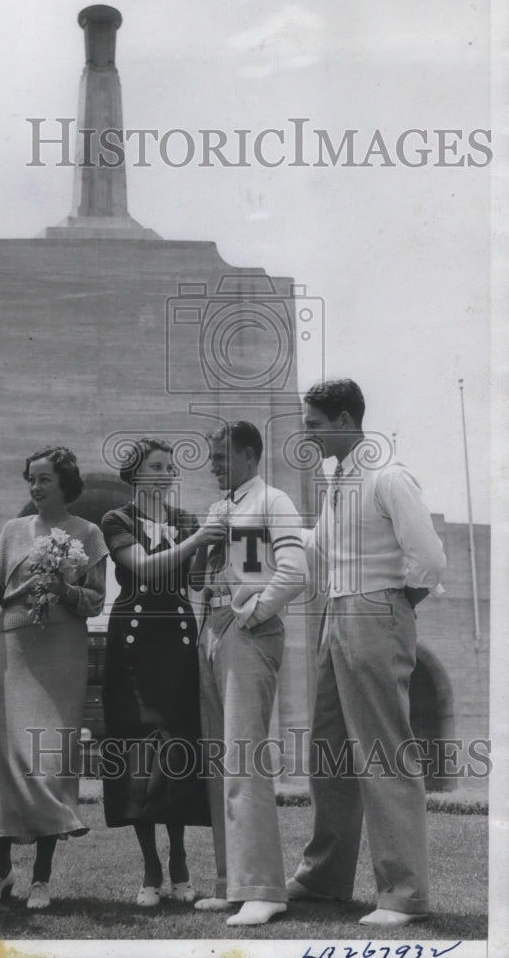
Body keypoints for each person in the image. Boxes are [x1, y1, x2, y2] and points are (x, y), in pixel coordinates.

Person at [287, 379, 446, 927]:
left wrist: (393, 603)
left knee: (383, 749)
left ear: (344, 420)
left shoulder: (388, 476)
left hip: (375, 610)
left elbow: (429, 558)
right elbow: (317, 547)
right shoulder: (338, 480)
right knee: (328, 750)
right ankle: (324, 877)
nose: (307, 435)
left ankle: (404, 893)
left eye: (314, 425)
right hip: (334, 612)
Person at [0, 445, 107, 910]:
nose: (36, 487)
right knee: (5, 760)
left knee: (50, 759)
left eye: (44, 478)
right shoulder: (12, 530)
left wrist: (63, 588)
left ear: (65, 483)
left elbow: (96, 601)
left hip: (62, 653)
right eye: (31, 479)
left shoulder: (89, 533)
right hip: (12, 648)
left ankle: (41, 880)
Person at [100, 438, 226, 906]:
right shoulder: (117, 520)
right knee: (137, 749)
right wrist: (198, 540)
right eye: (155, 466)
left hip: (177, 638)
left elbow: (194, 581)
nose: (165, 474)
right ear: (134, 474)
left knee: (176, 747)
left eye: (169, 467)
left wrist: (216, 543)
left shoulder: (187, 520)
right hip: (132, 643)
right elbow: (145, 570)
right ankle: (151, 866)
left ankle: (179, 858)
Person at [194, 420, 308, 926]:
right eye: (212, 457)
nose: (213, 465)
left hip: (248, 630)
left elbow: (294, 571)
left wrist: (254, 613)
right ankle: (232, 884)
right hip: (212, 627)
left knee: (244, 757)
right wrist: (205, 538)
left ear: (247, 455)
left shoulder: (273, 501)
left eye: (220, 457)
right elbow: (198, 577)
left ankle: (264, 889)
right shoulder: (220, 508)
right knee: (219, 761)